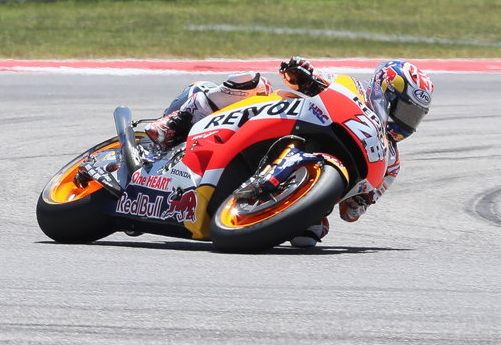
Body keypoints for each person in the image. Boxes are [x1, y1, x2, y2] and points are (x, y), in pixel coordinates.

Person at [143, 56, 433, 248]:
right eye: (406, 109)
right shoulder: (350, 86)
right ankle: (175, 122)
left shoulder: (391, 162)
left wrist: (361, 200)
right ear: (385, 91)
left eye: (415, 115)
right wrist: (304, 73)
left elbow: (351, 212)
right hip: (281, 124)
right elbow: (294, 77)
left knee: (310, 236)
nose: (408, 120)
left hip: (310, 180)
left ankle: (260, 212)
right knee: (251, 82)